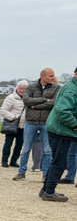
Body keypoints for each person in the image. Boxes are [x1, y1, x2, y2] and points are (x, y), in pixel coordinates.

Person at [13, 68, 60, 181]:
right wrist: (45, 100)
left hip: (46, 123)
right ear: (42, 76)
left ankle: (45, 173)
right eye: (50, 76)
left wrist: (36, 105)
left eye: (53, 75)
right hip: (31, 122)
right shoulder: (31, 87)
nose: (53, 77)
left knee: (47, 150)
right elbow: (27, 101)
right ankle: (21, 172)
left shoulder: (57, 88)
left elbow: (54, 103)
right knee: (26, 149)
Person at [40, 66, 77, 202]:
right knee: (60, 162)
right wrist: (75, 124)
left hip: (59, 129)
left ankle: (45, 189)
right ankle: (49, 191)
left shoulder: (72, 87)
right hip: (61, 130)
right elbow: (63, 111)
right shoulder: (71, 89)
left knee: (57, 160)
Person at [0, 80, 28, 168]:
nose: (22, 90)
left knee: (19, 145)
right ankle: (4, 161)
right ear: (17, 88)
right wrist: (13, 117)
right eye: (20, 88)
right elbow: (3, 110)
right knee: (8, 143)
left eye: (24, 89)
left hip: (23, 126)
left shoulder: (28, 99)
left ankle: (13, 161)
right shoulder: (11, 98)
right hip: (12, 124)